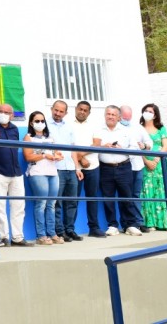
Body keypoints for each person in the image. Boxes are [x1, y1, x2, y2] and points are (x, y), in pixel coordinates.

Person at [93, 105, 141, 237]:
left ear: (119, 117)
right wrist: (103, 146)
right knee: (108, 198)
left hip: (124, 166)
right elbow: (94, 147)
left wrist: (122, 149)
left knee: (127, 196)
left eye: (113, 114)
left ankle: (130, 225)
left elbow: (135, 148)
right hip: (105, 167)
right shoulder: (98, 130)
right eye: (108, 114)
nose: (110, 117)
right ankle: (112, 225)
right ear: (104, 115)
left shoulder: (126, 131)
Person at [0, 104, 33, 247]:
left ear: (12, 115)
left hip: (16, 172)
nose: (3, 114)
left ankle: (17, 237)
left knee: (19, 206)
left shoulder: (14, 129)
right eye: (0, 111)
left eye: (6, 112)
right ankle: (3, 237)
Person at [139, 103, 167, 231]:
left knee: (163, 190)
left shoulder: (161, 128)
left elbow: (166, 145)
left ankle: (166, 222)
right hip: (145, 163)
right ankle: (150, 223)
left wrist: (157, 158)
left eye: (150, 111)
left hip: (160, 164)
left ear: (155, 115)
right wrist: (146, 161)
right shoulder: (139, 128)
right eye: (145, 110)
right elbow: (136, 146)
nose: (147, 113)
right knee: (147, 191)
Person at [23, 111, 63, 246]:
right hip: (37, 172)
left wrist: (58, 155)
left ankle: (52, 233)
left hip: (52, 172)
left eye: (42, 121)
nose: (40, 123)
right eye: (37, 121)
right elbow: (28, 157)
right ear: (31, 123)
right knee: (41, 204)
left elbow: (56, 152)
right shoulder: (28, 137)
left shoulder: (50, 137)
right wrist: (45, 155)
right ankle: (41, 235)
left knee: (52, 204)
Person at [48, 100, 80, 241]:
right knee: (57, 202)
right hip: (56, 168)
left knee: (72, 201)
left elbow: (73, 149)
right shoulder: (46, 125)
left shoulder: (69, 127)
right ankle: (60, 231)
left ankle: (70, 229)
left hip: (70, 168)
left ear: (66, 113)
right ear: (52, 109)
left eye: (61, 111)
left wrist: (77, 168)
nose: (58, 113)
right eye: (56, 110)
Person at [71, 101, 104, 238]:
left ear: (89, 113)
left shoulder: (94, 125)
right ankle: (70, 229)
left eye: (85, 110)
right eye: (80, 109)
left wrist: (81, 155)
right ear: (76, 109)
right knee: (73, 198)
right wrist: (80, 159)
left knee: (92, 198)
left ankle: (94, 228)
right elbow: (68, 145)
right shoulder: (68, 124)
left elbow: (96, 144)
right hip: (75, 167)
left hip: (93, 166)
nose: (82, 112)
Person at [127, 110, 153, 233]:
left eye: (128, 116)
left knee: (136, 195)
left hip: (138, 166)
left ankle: (139, 222)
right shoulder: (117, 128)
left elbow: (149, 143)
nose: (126, 119)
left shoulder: (138, 127)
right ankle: (129, 223)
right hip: (124, 166)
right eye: (124, 116)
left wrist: (144, 146)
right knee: (126, 196)